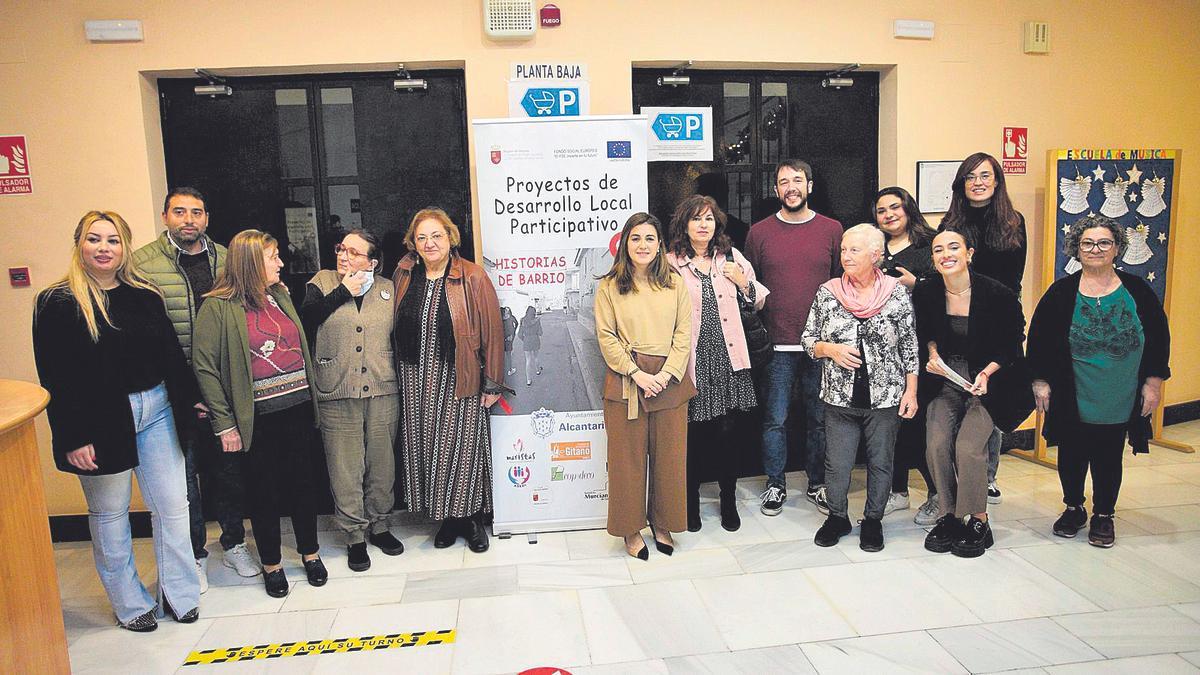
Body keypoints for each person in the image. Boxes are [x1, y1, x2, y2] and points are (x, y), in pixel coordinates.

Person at [33, 211, 201, 631]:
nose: (104, 248)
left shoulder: (144, 294)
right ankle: (130, 605)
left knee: (173, 507)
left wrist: (192, 401)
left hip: (158, 409)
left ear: (125, 247)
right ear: (80, 245)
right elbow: (55, 376)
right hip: (100, 419)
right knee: (110, 513)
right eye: (95, 239)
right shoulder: (57, 301)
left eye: (113, 240)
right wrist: (74, 436)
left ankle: (179, 595)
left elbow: (170, 356)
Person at [132, 187, 258, 592]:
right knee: (184, 477)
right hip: (173, 389)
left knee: (228, 472)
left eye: (197, 212)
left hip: (223, 385)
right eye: (180, 212)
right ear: (166, 216)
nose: (189, 219)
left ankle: (235, 542)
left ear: (207, 217)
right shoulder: (144, 264)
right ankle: (195, 555)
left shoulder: (226, 259)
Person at [192, 230, 326, 598]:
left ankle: (311, 554)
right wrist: (224, 424)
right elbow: (205, 368)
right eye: (273, 257)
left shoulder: (279, 295)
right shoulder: (217, 306)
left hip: (296, 408)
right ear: (251, 262)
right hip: (257, 419)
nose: (280, 263)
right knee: (264, 493)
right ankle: (272, 565)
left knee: (303, 485)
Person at [1028, 215, 1171, 548]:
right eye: (1087, 243)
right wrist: (1040, 381)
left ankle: (1104, 514)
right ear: (1077, 249)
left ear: (1117, 248)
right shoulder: (1061, 292)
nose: (1095, 249)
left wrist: (1153, 383)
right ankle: (1074, 508)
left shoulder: (1137, 290)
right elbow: (1039, 340)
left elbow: (1158, 339)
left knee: (1108, 454)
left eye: (1104, 242)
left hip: (1120, 390)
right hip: (1072, 387)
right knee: (1072, 452)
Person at [392, 208, 509, 554]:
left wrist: (492, 382)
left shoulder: (472, 276)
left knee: (462, 450)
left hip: (459, 374)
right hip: (414, 377)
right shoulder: (404, 274)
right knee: (428, 449)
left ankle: (471, 519)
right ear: (413, 242)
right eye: (422, 237)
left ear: (450, 238)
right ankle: (446, 518)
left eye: (436, 236)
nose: (429, 243)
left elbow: (493, 332)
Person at [802, 224, 919, 552]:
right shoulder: (828, 291)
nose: (846, 256)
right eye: (843, 250)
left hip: (884, 397)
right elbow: (808, 339)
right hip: (839, 397)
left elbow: (909, 344)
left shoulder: (896, 292)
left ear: (876, 256)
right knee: (837, 463)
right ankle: (837, 516)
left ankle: (873, 520)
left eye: (854, 250)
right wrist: (831, 349)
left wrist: (911, 391)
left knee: (881, 461)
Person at [913, 230, 1030, 558]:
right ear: (933, 259)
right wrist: (932, 354)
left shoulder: (997, 293)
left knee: (968, 446)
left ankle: (978, 519)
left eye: (954, 247)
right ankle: (948, 515)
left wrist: (987, 372)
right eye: (938, 250)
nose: (946, 254)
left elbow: (1012, 339)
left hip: (989, 381)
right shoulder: (927, 291)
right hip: (946, 378)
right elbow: (924, 332)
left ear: (969, 253)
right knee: (936, 442)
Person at [301, 229, 404, 572]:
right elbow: (307, 320)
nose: (344, 256)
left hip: (382, 389)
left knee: (381, 463)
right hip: (336, 390)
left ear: (372, 262)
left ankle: (380, 525)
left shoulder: (388, 288)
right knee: (345, 467)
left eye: (354, 253)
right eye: (342, 249)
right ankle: (354, 535)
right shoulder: (322, 281)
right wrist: (344, 290)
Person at [744, 159, 842, 517]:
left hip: (821, 346)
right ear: (776, 190)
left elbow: (837, 285)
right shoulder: (759, 233)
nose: (791, 187)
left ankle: (817, 484)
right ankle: (775, 484)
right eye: (783, 182)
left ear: (810, 186)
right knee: (775, 419)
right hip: (776, 345)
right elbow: (751, 288)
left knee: (819, 420)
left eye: (797, 180)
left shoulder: (833, 230)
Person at [665, 195, 768, 533]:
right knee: (692, 437)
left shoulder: (732, 258)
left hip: (728, 358)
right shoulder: (670, 264)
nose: (703, 225)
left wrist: (741, 279)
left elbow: (759, 300)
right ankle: (690, 504)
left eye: (709, 218)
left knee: (728, 436)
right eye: (696, 219)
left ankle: (728, 501)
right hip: (691, 361)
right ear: (684, 225)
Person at [596, 212, 694, 560]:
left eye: (650, 238)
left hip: (670, 379)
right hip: (626, 382)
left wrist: (666, 375)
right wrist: (637, 374)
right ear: (625, 243)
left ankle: (663, 522)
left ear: (659, 244)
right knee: (627, 462)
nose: (642, 245)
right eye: (635, 238)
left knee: (669, 460)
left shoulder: (675, 284)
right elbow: (606, 338)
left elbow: (684, 334)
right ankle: (630, 529)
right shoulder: (609, 286)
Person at [939, 152, 1029, 505]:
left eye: (985, 176)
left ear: (996, 181)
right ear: (962, 183)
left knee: (991, 399)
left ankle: (988, 474)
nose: (977, 182)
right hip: (959, 321)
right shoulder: (951, 223)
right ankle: (963, 470)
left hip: (997, 321)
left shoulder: (1013, 222)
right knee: (961, 398)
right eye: (970, 176)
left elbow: (1015, 279)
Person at [872, 186, 938, 525]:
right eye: (881, 210)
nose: (888, 215)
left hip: (920, 347)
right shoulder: (875, 248)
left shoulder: (930, 246)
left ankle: (937, 493)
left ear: (908, 208)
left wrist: (917, 284)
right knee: (889, 424)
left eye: (894, 207)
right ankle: (898, 491)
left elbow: (948, 291)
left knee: (920, 422)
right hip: (883, 351)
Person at [519, 305, 543, 386]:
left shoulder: (522, 320)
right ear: (534, 313)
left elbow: (519, 334)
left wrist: (524, 339)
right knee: (536, 357)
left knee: (528, 360)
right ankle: (538, 370)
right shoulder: (537, 321)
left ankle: (528, 380)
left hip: (527, 341)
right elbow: (540, 332)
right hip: (535, 340)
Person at [501, 306, 518, 377]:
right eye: (506, 310)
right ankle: (510, 370)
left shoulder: (501, 319)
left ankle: (507, 370)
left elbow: (516, 323)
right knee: (508, 355)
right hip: (508, 338)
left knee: (506, 355)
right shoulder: (510, 317)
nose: (506, 312)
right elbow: (516, 323)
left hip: (504, 339)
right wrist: (513, 331)